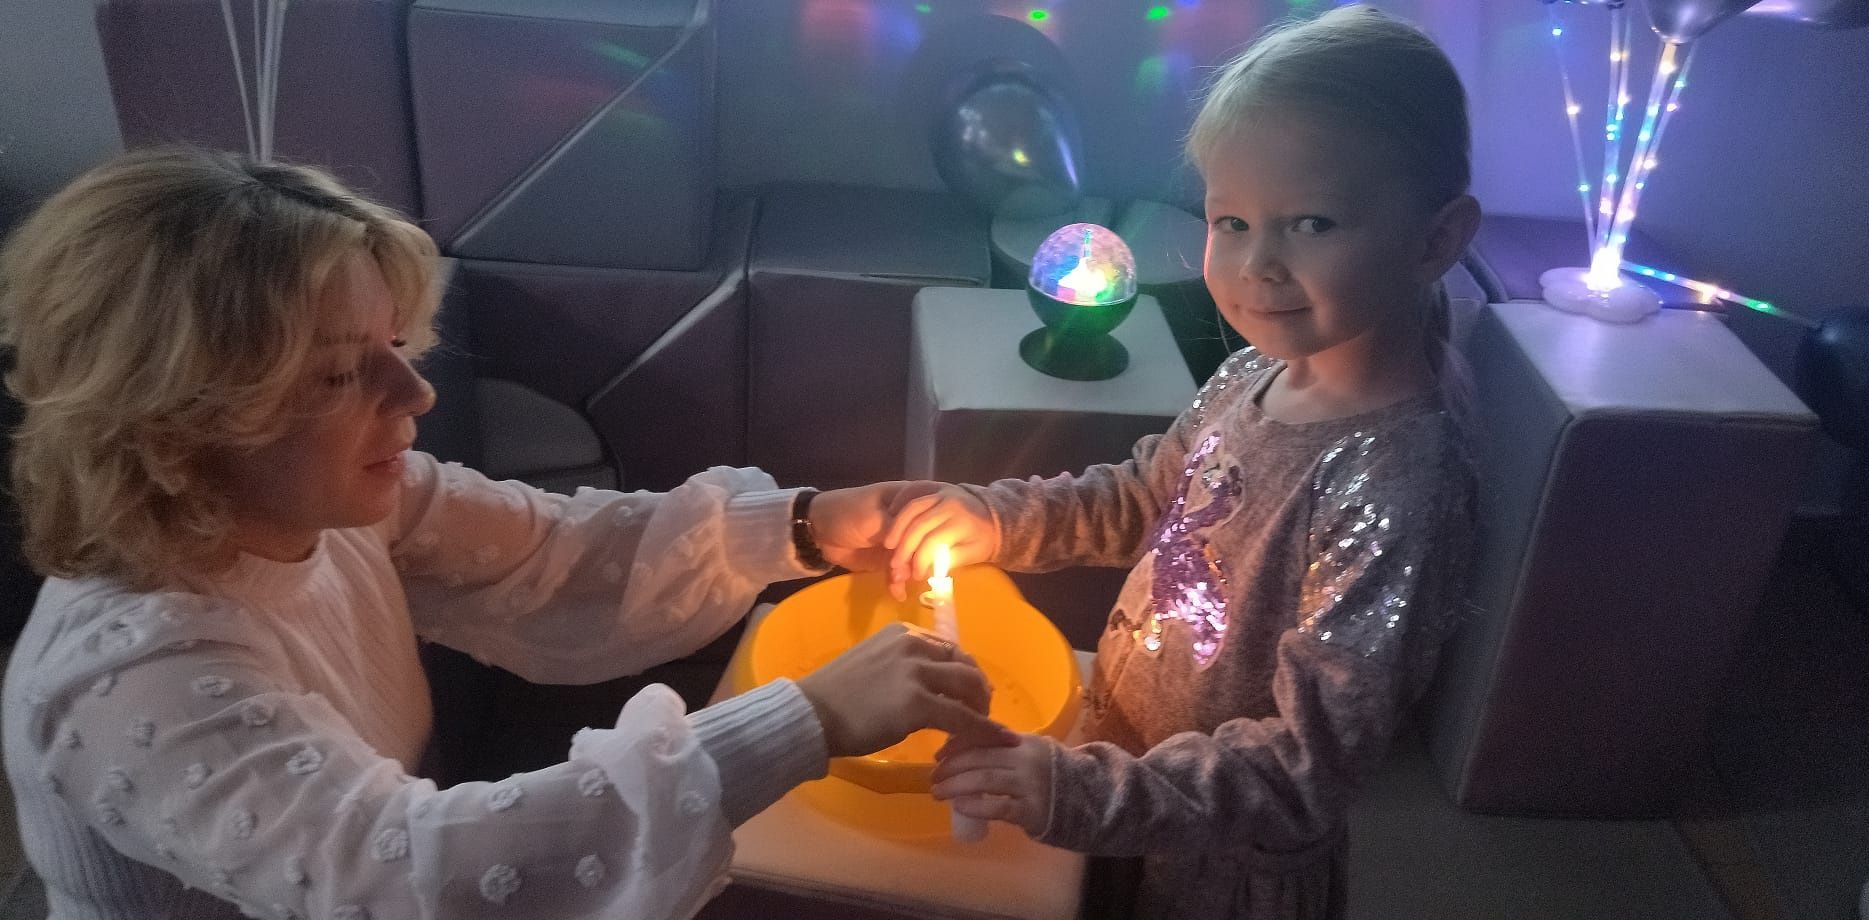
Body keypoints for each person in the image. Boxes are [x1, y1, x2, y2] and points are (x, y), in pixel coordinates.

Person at [0, 147, 1007, 919]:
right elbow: (406, 870)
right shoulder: (130, 671)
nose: (417, 393)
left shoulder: (322, 504)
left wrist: (807, 525)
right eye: (341, 372)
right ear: (177, 417)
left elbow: (553, 553)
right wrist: (804, 720)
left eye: (396, 344)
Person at [881, 7, 1483, 918]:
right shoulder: (1253, 373)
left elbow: (1306, 765)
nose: (1257, 264)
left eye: (1310, 222)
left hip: (1223, 869)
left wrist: (1077, 792)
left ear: (1435, 240)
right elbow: (1142, 499)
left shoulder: (1402, 484)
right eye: (1230, 220)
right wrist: (993, 518)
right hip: (1125, 776)